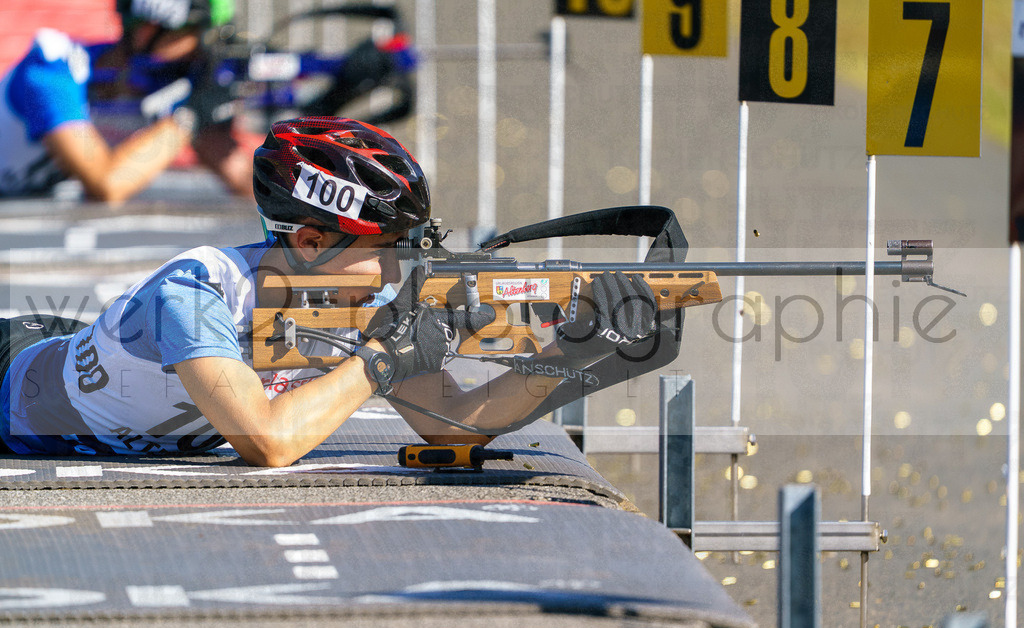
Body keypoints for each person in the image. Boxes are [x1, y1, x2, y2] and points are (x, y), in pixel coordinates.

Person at [0, 116, 659, 467]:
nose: (402, 269)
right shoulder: (196, 288)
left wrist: (567, 357)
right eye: (387, 250)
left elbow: (448, 426)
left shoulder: (349, 300)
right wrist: (382, 360)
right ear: (313, 244)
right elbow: (268, 442)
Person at [0, 0, 253, 203]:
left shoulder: (167, 80)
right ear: (149, 29)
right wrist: (192, 116)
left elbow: (243, 178)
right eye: (198, 32)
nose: (206, 49)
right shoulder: (52, 65)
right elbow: (106, 185)